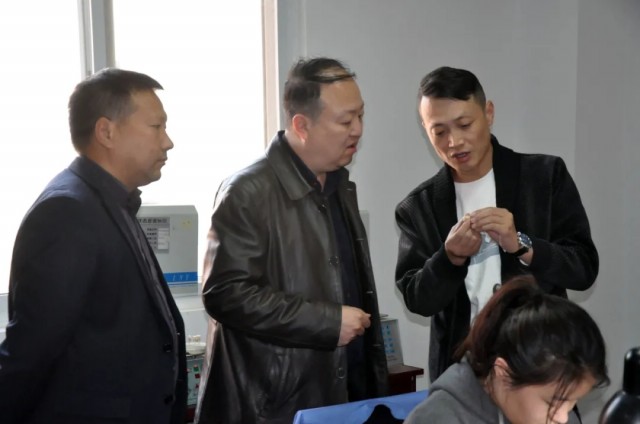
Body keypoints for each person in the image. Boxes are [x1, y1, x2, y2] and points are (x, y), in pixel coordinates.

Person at [195, 57, 388, 424]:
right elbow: (225, 293)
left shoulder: (339, 186)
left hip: (343, 395)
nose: (358, 130)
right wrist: (327, 322)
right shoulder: (248, 191)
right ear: (302, 125)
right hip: (276, 405)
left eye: (361, 116)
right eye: (345, 121)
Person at [0, 68, 187, 424]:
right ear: (106, 132)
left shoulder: (112, 201)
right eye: (156, 127)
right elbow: (33, 350)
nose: (168, 142)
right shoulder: (67, 212)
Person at [395, 66, 599, 381]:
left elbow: (583, 269)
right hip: (461, 375)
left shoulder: (544, 177)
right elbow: (417, 300)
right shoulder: (418, 207)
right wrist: (449, 258)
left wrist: (522, 245)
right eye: (440, 132)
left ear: (488, 113)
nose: (454, 142)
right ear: (425, 130)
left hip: (541, 363)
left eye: (465, 124)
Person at [405, 276, 609, 424]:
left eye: (572, 402)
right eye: (554, 402)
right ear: (503, 373)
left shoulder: (552, 410)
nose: (563, 418)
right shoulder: (438, 418)